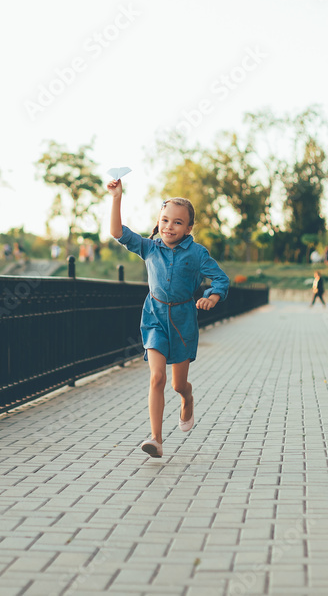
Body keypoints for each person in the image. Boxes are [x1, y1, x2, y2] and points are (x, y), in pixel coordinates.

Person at [107, 178, 229, 459]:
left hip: (183, 320)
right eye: (165, 220)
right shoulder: (149, 247)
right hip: (154, 317)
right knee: (157, 378)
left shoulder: (197, 254)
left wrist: (212, 296)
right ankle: (156, 439)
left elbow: (221, 278)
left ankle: (187, 398)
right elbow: (117, 232)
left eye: (177, 222)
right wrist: (116, 198)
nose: (169, 227)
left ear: (188, 228)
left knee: (177, 384)